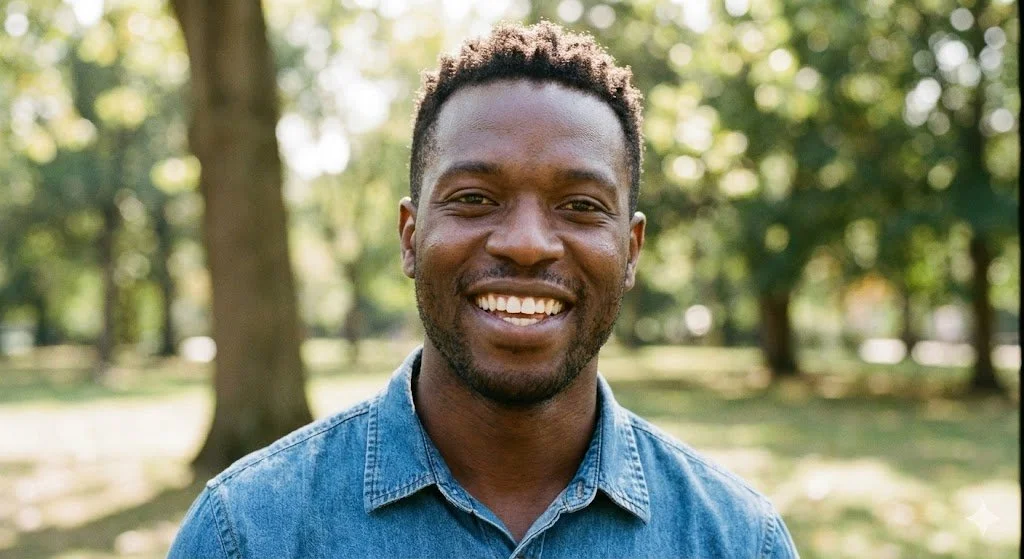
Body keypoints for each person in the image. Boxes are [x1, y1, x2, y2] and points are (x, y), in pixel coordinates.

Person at [169, 21, 799, 558]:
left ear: (630, 251)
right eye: (474, 198)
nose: (526, 243)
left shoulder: (737, 540)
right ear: (411, 236)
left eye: (579, 206)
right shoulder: (246, 533)